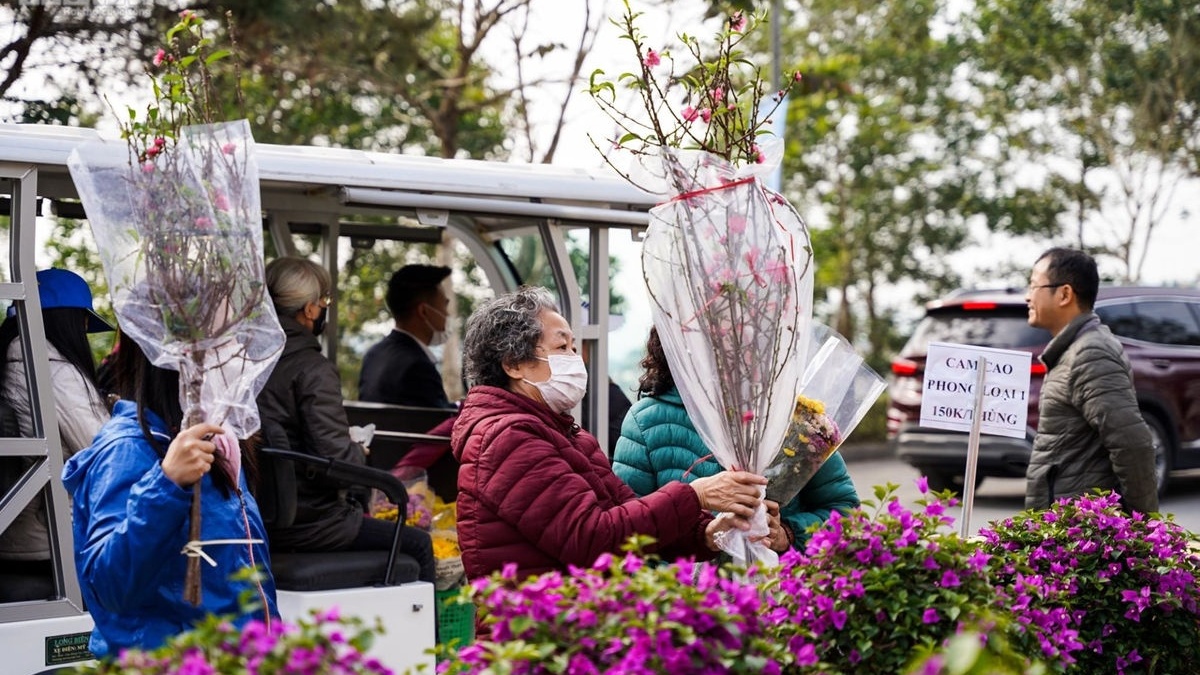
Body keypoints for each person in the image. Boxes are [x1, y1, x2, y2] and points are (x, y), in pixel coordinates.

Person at [451, 286, 768, 579]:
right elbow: (591, 538)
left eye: (575, 348)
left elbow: (627, 519)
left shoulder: (561, 432)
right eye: (562, 347)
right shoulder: (507, 438)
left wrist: (709, 532)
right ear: (513, 364)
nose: (576, 360)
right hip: (540, 631)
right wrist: (695, 494)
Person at [62, 331, 277, 658]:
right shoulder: (127, 450)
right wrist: (166, 484)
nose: (238, 351)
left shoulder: (222, 444)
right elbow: (108, 586)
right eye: (222, 339)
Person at [256, 257, 435, 582]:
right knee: (420, 544)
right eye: (324, 302)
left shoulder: (248, 360)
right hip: (313, 524)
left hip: (260, 518)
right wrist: (359, 455)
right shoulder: (312, 369)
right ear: (310, 310)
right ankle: (439, 635)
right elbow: (335, 460)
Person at [613, 327, 861, 551]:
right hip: (688, 597)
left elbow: (845, 512)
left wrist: (788, 534)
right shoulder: (646, 421)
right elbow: (627, 531)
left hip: (779, 591)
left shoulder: (794, 416)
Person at [0, 269, 113, 590]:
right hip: (52, 541)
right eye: (82, 322)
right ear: (67, 321)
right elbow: (107, 454)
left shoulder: (11, 365)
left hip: (12, 534)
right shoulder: (56, 375)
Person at [1023, 247, 1158, 513]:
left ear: (1064, 294)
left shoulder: (1090, 353)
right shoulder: (1071, 350)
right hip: (1066, 531)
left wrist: (1145, 530)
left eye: (1033, 286)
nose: (1027, 297)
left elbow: (1133, 444)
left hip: (1082, 534)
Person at [358, 264, 456, 409]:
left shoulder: (373, 355)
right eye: (444, 306)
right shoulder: (418, 367)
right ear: (423, 311)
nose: (447, 314)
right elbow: (441, 423)